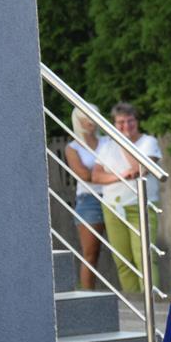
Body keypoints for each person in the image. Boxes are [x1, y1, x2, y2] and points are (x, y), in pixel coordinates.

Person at [92, 102, 162, 295]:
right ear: (114, 123)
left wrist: (125, 143)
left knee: (145, 257)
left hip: (141, 205)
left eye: (129, 121)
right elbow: (96, 176)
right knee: (122, 260)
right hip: (113, 207)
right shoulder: (106, 145)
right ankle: (135, 302)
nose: (125, 126)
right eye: (120, 122)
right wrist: (121, 176)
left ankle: (153, 301)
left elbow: (141, 169)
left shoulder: (148, 142)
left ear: (137, 121)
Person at [64, 107, 108, 291]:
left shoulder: (108, 141)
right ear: (78, 121)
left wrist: (100, 174)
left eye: (93, 117)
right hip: (89, 200)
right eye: (86, 118)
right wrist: (107, 173)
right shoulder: (72, 148)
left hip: (112, 196)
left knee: (127, 252)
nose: (91, 121)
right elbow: (83, 174)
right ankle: (87, 296)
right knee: (91, 253)